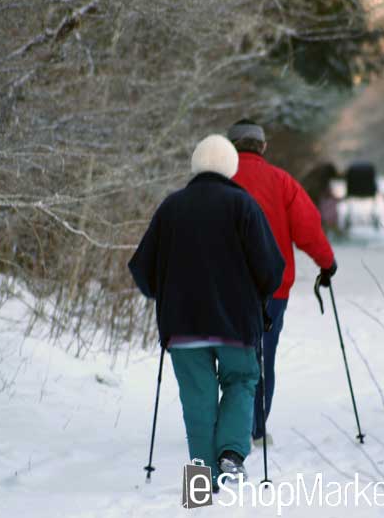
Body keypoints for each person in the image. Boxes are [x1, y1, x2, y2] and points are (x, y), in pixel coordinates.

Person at [128, 134, 285, 490]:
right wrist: (258, 296)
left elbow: (141, 267)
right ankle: (231, 452)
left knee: (197, 401)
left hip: (183, 326)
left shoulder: (172, 207)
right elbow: (271, 270)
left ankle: (200, 482)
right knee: (242, 380)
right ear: (230, 167)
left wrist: (163, 295)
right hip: (235, 324)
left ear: (196, 164)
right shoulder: (243, 206)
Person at [227, 119, 337, 445]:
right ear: (262, 146)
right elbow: (308, 227)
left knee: (230, 354)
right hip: (271, 289)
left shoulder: (218, 181)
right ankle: (255, 430)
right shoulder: (282, 182)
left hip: (224, 289)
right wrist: (326, 262)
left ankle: (229, 425)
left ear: (230, 146)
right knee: (262, 354)